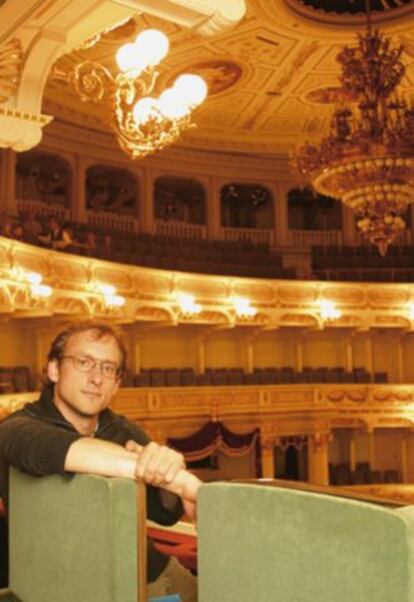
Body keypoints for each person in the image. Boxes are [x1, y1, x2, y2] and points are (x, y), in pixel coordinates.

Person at [0, 320, 201, 601]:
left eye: (108, 368)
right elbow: (57, 448)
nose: (97, 378)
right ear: (54, 369)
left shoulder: (123, 430)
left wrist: (166, 474)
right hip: (65, 587)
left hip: (151, 575)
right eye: (84, 362)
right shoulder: (17, 428)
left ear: (117, 384)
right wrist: (180, 480)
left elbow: (165, 513)